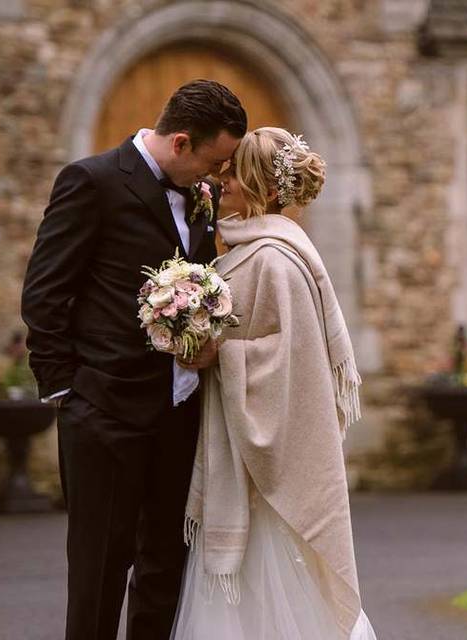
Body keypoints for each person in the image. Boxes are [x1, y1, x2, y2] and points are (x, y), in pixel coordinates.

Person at [20, 80, 246, 640]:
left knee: (166, 562)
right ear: (181, 143)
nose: (216, 179)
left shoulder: (201, 196)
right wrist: (67, 392)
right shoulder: (92, 181)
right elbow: (45, 294)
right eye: (213, 163)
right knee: (100, 570)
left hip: (179, 413)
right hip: (102, 414)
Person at [170, 127, 377, 639]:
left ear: (259, 187)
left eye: (233, 175)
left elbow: (292, 362)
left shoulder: (275, 260)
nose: (223, 185)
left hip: (266, 482)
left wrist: (220, 353)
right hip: (236, 457)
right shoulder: (245, 251)